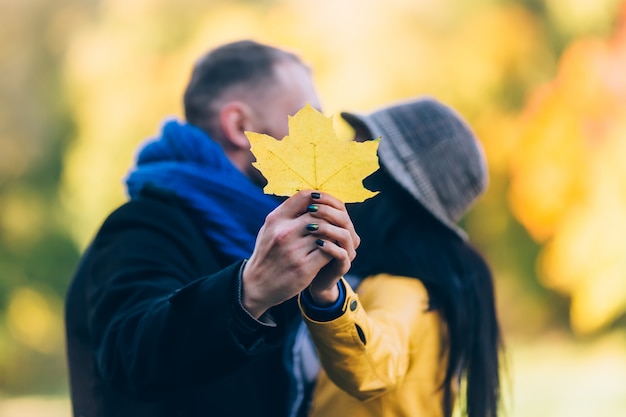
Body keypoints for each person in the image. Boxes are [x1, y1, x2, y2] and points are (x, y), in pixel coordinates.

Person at [64, 39, 359, 417]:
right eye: (306, 118)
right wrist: (249, 291)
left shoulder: (272, 237)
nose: (322, 140)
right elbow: (128, 355)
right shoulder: (142, 226)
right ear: (239, 125)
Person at [298, 97, 505, 417]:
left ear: (385, 189)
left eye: (358, 154)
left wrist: (327, 296)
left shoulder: (402, 290)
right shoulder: (425, 286)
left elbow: (374, 368)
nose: (339, 161)